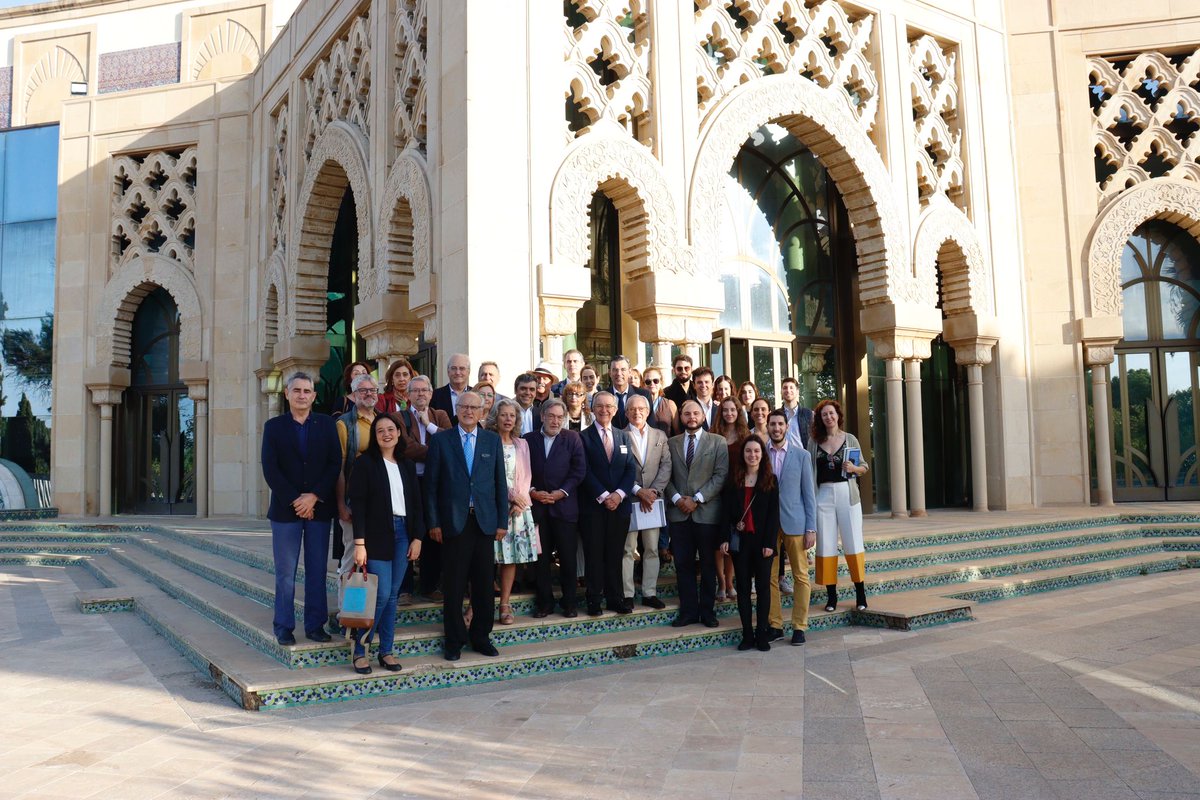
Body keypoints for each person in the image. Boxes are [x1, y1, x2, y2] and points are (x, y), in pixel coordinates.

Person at [424, 391, 509, 661]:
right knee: (455, 585)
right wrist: (434, 522)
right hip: (453, 523)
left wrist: (502, 521)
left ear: (483, 411)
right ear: (456, 410)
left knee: (484, 585)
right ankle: (454, 640)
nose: (469, 411)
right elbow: (431, 487)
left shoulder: (492, 441)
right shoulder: (441, 441)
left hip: (484, 522)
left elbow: (500, 483)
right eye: (464, 406)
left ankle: (481, 637)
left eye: (474, 407)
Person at [261, 373, 341, 646]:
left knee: (317, 570)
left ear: (314, 396)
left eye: (307, 391)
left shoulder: (327, 425)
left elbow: (334, 464)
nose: (302, 395)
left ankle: (315, 625)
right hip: (285, 511)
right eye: (297, 390)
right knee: (286, 573)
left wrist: (314, 496)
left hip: (319, 509)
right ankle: (283, 626)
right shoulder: (273, 427)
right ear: (287, 393)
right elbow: (270, 468)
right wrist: (297, 499)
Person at [347, 413, 425, 674]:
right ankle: (359, 649)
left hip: (404, 532)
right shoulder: (365, 463)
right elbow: (357, 505)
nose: (386, 434)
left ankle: (386, 651)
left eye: (391, 429)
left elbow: (416, 503)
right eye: (380, 430)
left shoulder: (406, 464)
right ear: (375, 436)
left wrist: (417, 537)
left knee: (392, 595)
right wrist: (360, 543)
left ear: (399, 432)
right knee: (379, 595)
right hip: (376, 535)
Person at [666, 399, 729, 628]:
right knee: (683, 564)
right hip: (678, 513)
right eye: (686, 413)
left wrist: (697, 499)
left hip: (707, 513)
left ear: (703, 416)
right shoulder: (671, 443)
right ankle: (688, 612)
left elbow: (721, 476)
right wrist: (676, 498)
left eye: (695, 413)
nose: (691, 417)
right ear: (680, 417)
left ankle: (708, 612)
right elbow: (666, 475)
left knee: (709, 565)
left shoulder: (718, 442)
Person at [525, 398, 586, 618]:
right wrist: (532, 491)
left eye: (560, 417)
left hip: (564, 508)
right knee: (541, 561)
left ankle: (569, 603)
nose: (555, 420)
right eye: (551, 416)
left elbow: (579, 471)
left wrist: (561, 493)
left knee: (568, 559)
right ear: (542, 416)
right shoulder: (528, 440)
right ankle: (544, 603)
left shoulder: (573, 438)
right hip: (538, 507)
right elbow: (522, 470)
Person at [579, 392, 637, 616]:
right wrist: (604, 495)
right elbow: (584, 470)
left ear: (615, 410)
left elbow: (630, 469)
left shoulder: (623, 437)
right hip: (594, 506)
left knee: (615, 553)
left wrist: (619, 495)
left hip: (619, 506)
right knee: (594, 553)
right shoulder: (583, 437)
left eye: (609, 406)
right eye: (599, 406)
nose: (604, 410)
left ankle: (615, 598)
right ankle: (594, 599)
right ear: (592, 409)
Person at [809, 398, 869, 612]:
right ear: (820, 418)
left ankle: (860, 594)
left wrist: (854, 468)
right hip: (823, 495)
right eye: (824, 414)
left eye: (831, 413)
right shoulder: (815, 441)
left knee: (853, 543)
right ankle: (831, 597)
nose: (828, 417)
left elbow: (864, 466)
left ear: (838, 415)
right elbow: (809, 472)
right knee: (826, 545)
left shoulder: (850, 438)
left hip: (848, 494)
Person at [720, 435, 778, 652]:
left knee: (763, 589)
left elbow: (774, 515)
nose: (752, 455)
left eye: (756, 451)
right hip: (740, 542)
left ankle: (762, 634)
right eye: (748, 451)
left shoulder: (770, 480)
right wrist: (724, 538)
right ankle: (747, 634)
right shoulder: (733, 480)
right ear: (742, 455)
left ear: (762, 455)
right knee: (743, 588)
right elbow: (724, 513)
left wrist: (770, 543)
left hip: (763, 543)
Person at [765, 409, 818, 646]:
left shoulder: (802, 455)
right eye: (772, 424)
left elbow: (809, 494)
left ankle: (799, 626)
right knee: (769, 577)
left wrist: (811, 528)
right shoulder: (759, 454)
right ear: (767, 427)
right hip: (768, 526)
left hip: (795, 524)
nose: (776, 428)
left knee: (800, 576)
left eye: (779, 424)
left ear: (786, 427)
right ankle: (775, 625)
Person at [397, 375, 451, 599]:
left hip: (436, 484)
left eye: (424, 390)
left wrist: (429, 427)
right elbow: (405, 448)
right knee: (407, 532)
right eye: (416, 391)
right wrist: (437, 450)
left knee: (433, 532)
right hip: (409, 483)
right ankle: (405, 588)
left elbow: (451, 442)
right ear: (408, 395)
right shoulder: (399, 417)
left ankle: (430, 585)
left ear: (431, 394)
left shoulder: (439, 415)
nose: (420, 394)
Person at [489, 398, 538, 625]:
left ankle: (505, 604)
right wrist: (511, 497)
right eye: (503, 415)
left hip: (518, 509)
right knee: (488, 559)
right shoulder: (487, 442)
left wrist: (520, 501)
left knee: (510, 559)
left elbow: (526, 476)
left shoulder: (523, 444)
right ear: (495, 418)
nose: (508, 419)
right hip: (494, 506)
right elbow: (489, 477)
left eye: (512, 415)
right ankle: (480, 604)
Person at [623, 395, 670, 609]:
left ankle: (649, 593)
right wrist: (638, 490)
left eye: (641, 408)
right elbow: (618, 467)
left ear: (648, 411)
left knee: (651, 548)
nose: (637, 412)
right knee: (628, 549)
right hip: (630, 499)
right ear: (626, 413)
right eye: (632, 409)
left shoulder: (660, 435)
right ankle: (627, 593)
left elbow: (666, 465)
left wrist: (653, 491)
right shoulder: (619, 436)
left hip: (653, 500)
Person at [335, 374, 380, 577]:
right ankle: (348, 606)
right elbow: (340, 468)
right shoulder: (344, 424)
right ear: (354, 395)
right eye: (363, 390)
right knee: (353, 555)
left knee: (376, 555)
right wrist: (342, 505)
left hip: (379, 501)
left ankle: (370, 607)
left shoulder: (383, 420)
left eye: (372, 390)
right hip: (354, 501)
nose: (368, 394)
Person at [711, 396, 749, 602]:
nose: (729, 413)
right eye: (725, 410)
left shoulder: (745, 434)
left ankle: (731, 581)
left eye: (733, 410)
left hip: (737, 492)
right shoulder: (713, 434)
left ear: (738, 411)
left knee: (733, 539)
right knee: (719, 541)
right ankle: (721, 582)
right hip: (716, 493)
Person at [606, 355, 650, 429]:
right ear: (610, 373)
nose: (619, 373)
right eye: (615, 370)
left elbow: (650, 424)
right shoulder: (602, 397)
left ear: (629, 372)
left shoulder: (643, 395)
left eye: (623, 369)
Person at [431, 353, 471, 424]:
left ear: (468, 372)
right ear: (448, 371)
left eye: (462, 368)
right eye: (454, 368)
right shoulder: (435, 396)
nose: (458, 372)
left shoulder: (475, 393)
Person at [642, 366, 678, 435]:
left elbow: (677, 432)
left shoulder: (670, 404)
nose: (652, 384)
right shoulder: (638, 404)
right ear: (643, 384)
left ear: (661, 382)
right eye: (648, 381)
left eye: (656, 381)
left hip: (665, 444)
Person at [779, 377, 814, 449]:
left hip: (802, 457)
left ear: (797, 391)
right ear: (781, 391)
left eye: (791, 387)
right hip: (781, 457)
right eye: (785, 388)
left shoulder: (808, 414)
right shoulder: (776, 414)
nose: (788, 390)